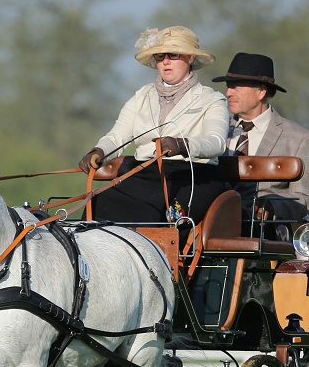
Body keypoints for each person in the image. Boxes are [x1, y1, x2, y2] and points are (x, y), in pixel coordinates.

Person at [78, 26, 229, 228]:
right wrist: (99, 150)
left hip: (193, 177)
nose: (165, 61)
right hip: (146, 175)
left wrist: (181, 145)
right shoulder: (141, 96)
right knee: (98, 202)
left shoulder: (211, 99)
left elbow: (217, 143)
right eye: (159, 56)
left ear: (190, 57)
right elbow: (117, 136)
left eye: (173, 54)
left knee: (152, 212)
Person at [211, 53, 309, 230]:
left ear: (261, 91)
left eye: (235, 87)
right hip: (213, 229)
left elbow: (308, 202)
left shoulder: (299, 138)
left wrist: (271, 206)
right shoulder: (216, 129)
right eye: (228, 86)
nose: (228, 93)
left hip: (266, 236)